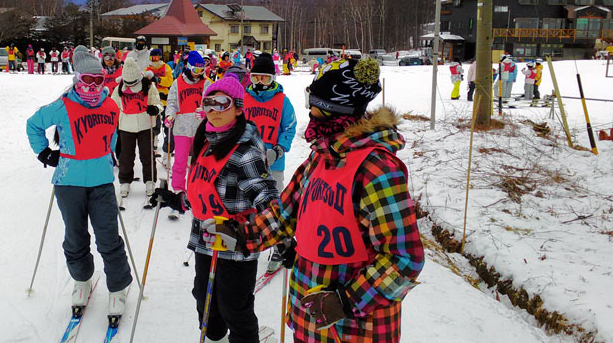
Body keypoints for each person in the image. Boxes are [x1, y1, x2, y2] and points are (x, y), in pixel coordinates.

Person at [202, 58, 425, 343]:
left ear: (337, 111)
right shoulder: (320, 157)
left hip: (355, 330)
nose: (311, 115)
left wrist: (346, 300)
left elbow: (405, 258)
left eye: (316, 107)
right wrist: (242, 234)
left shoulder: (377, 170)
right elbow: (284, 213)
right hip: (309, 321)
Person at [150, 73, 280, 343]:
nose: (213, 110)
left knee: (234, 304)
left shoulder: (245, 150)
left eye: (222, 103)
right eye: (208, 102)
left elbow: (265, 194)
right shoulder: (206, 140)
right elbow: (204, 190)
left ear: (238, 107)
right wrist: (177, 200)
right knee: (204, 298)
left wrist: (279, 232)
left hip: (236, 239)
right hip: (205, 237)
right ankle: (215, 335)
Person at [25, 48, 132, 319]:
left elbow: (112, 135)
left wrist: (111, 156)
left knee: (108, 237)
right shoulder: (63, 105)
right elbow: (33, 124)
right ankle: (82, 280)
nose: (93, 85)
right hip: (68, 181)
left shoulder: (111, 105)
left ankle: (118, 287)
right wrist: (45, 153)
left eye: (99, 79)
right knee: (75, 237)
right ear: (76, 78)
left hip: (101, 182)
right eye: (88, 79)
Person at [243, 53, 298, 273]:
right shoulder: (245, 98)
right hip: (247, 160)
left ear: (272, 78)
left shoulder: (282, 101)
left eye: (264, 78)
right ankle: (249, 239)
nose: (259, 82)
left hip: (273, 162)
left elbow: (290, 127)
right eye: (255, 77)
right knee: (247, 202)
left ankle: (280, 245)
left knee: (274, 205)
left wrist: (279, 148)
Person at [164, 51, 212, 220]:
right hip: (182, 128)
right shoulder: (177, 84)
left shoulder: (206, 83)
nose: (199, 73)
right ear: (188, 67)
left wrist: (205, 113)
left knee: (200, 162)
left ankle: (198, 192)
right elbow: (171, 103)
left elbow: (211, 103)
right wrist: (169, 116)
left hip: (200, 129)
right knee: (180, 162)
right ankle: (178, 193)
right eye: (196, 70)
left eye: (201, 70)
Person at [111, 57, 163, 207]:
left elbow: (158, 103)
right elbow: (113, 105)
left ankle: (150, 180)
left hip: (145, 125)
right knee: (126, 156)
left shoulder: (148, 85)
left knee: (147, 154)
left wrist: (156, 109)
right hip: (126, 126)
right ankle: (125, 181)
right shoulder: (119, 88)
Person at [146, 48, 174, 151]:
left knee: (167, 122)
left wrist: (159, 80)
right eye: (153, 57)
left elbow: (170, 81)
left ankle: (168, 144)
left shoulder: (166, 67)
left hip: (164, 98)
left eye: (157, 56)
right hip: (153, 100)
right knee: (155, 123)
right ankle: (154, 140)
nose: (155, 59)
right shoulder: (148, 69)